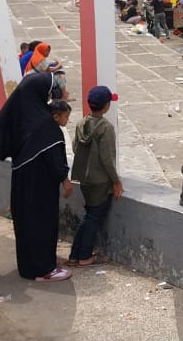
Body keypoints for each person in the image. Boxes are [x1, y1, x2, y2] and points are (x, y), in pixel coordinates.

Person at [0, 72, 73, 282]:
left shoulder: (22, 117)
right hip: (39, 185)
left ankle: (29, 268)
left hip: (22, 181)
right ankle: (45, 269)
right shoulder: (45, 123)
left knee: (26, 224)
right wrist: (65, 179)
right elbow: (55, 158)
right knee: (42, 222)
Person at [69, 87, 123, 267]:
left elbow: (76, 148)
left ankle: (75, 255)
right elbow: (107, 159)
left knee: (89, 215)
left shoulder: (80, 124)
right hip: (100, 181)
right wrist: (116, 181)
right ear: (106, 106)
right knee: (94, 217)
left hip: (84, 177)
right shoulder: (105, 128)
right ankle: (84, 256)